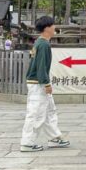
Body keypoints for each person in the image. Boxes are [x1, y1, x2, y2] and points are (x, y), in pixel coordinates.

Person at [21, 15, 70, 152]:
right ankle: (27, 142)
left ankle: (54, 137)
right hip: (38, 83)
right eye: (53, 25)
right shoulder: (43, 44)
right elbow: (41, 66)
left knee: (49, 111)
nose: (55, 28)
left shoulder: (39, 42)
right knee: (36, 113)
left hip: (37, 82)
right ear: (47, 28)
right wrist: (46, 84)